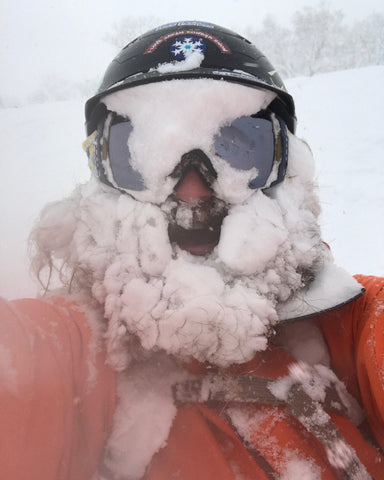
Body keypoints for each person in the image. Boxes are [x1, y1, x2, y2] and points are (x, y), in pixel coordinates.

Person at [1, 21, 383, 480]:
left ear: (285, 167)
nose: (192, 189)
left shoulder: (356, 324)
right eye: (139, 157)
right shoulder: (72, 353)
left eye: (241, 149)